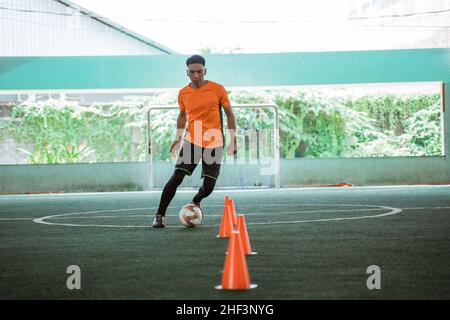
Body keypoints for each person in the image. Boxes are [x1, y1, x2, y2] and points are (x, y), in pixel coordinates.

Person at [152, 55, 237, 228]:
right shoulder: (183, 93)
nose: (196, 75)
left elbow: (229, 114)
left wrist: (232, 140)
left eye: (199, 71)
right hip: (192, 141)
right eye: (192, 72)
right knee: (177, 177)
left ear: (205, 71)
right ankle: (160, 214)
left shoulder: (218, 89)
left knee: (209, 185)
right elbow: (182, 116)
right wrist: (177, 138)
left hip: (214, 142)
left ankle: (197, 199)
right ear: (187, 73)